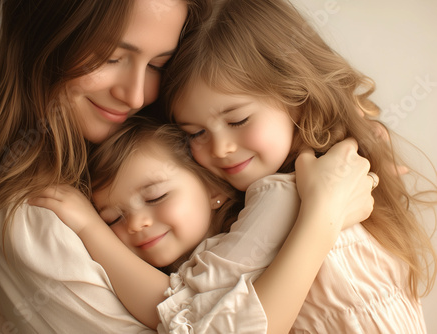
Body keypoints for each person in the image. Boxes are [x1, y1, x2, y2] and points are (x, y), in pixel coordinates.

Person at [0, 0, 375, 333]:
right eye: (112, 57)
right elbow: (187, 316)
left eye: (158, 65)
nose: (136, 95)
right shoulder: (35, 215)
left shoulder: (175, 134)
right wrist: (324, 215)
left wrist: (362, 138)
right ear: (44, 40)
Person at [157, 0, 437, 332]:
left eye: (238, 119)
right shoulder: (342, 170)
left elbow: (187, 312)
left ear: (299, 97)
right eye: (196, 133)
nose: (221, 148)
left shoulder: (281, 193)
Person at [30, 116, 375, 333]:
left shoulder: (279, 200)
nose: (136, 224)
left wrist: (91, 228)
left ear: (213, 188)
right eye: (113, 219)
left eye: (154, 197)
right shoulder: (194, 261)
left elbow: (180, 313)